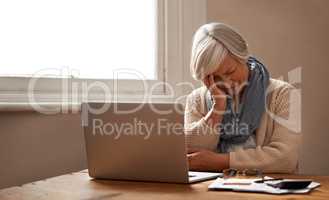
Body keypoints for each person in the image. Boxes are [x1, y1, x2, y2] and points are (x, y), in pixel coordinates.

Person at [185, 22, 301, 173]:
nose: (226, 83)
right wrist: (218, 107)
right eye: (215, 77)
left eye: (230, 71)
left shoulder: (282, 94)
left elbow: (286, 159)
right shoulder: (197, 99)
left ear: (243, 57)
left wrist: (220, 161)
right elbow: (192, 155)